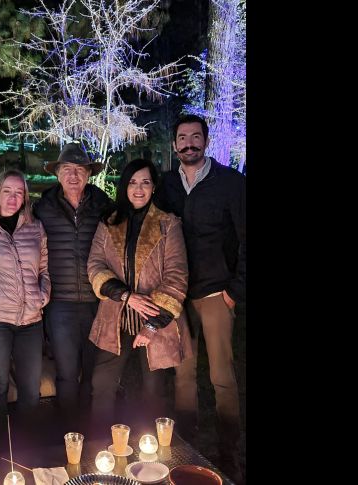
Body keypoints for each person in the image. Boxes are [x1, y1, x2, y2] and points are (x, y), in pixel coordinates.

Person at [154, 114, 246, 484]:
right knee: (183, 374)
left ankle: (230, 451)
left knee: (222, 375)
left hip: (215, 291)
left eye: (196, 136)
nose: (189, 143)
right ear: (174, 144)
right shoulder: (165, 186)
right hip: (178, 295)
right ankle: (187, 448)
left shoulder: (231, 183)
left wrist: (236, 289)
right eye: (182, 137)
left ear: (205, 141)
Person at [87, 158, 192, 426]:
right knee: (102, 383)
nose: (138, 189)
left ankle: (152, 456)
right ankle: (101, 445)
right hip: (117, 316)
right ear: (124, 186)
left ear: (154, 187)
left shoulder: (168, 224)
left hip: (155, 320)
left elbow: (177, 275)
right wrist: (125, 295)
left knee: (154, 390)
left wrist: (152, 326)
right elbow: (95, 264)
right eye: (132, 182)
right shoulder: (109, 222)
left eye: (145, 182)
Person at [32, 142, 112, 420]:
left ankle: (91, 434)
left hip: (97, 302)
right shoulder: (43, 207)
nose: (73, 176)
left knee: (93, 371)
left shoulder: (103, 206)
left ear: (89, 173)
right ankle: (68, 431)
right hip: (61, 305)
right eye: (67, 169)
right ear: (57, 174)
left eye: (80, 169)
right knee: (66, 373)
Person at [0, 169, 51, 418]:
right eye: (7, 191)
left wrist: (43, 295)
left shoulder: (35, 227)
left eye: (19, 192)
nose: (13, 197)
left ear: (25, 197)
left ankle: (27, 445)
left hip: (31, 320)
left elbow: (44, 268)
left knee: (30, 389)